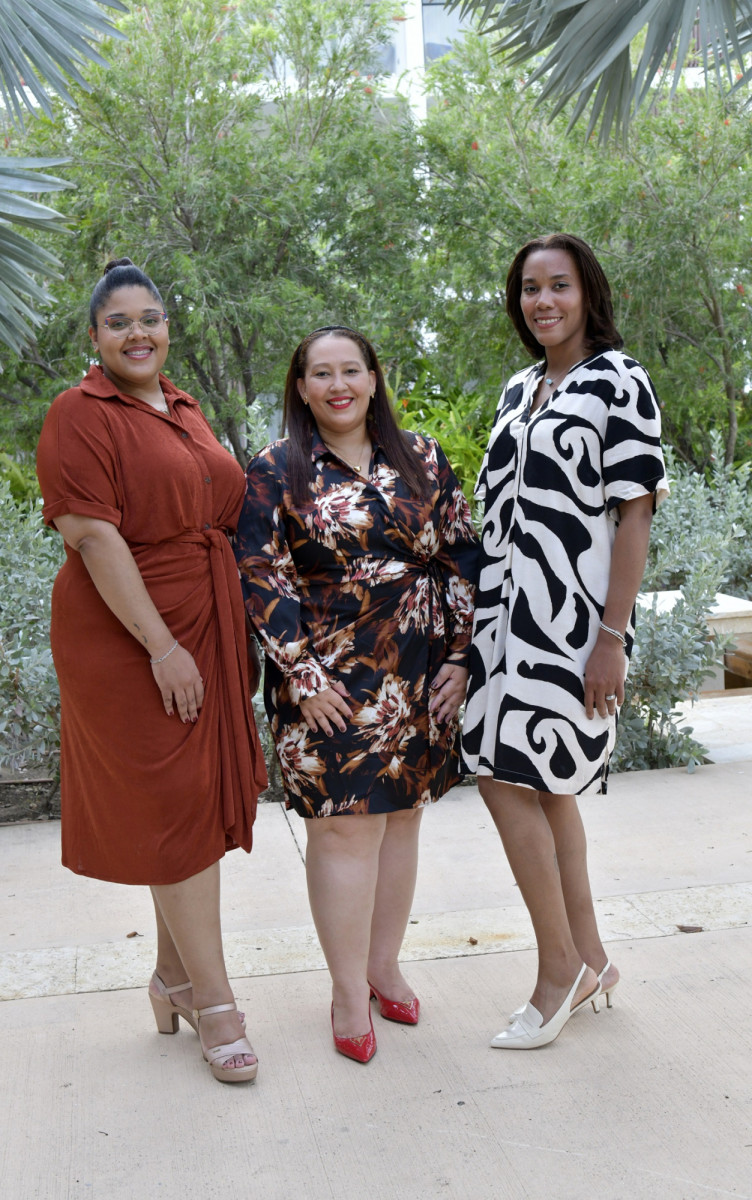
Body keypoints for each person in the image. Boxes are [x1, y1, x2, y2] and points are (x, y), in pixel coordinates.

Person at [36, 258, 267, 1084]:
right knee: (170, 806)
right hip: (129, 633)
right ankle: (215, 1001)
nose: (139, 333)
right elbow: (93, 536)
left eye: (151, 318)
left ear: (168, 328)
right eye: (119, 322)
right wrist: (160, 646)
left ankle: (171, 977)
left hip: (205, 621)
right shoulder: (79, 412)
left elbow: (229, 506)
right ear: (94, 338)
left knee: (192, 808)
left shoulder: (185, 407)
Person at [234, 326, 480, 1062]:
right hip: (327, 684)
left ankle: (383, 966)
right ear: (302, 387)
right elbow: (259, 571)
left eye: (352, 370)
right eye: (321, 373)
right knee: (345, 829)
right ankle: (346, 989)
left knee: (402, 818)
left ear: (374, 378)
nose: (338, 384)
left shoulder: (425, 456)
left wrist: (462, 659)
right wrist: (301, 675)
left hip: (419, 673)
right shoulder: (276, 470)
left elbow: (464, 553)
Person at [462, 234, 669, 1049]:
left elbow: (635, 516)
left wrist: (611, 637)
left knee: (503, 777)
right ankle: (591, 957)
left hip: (571, 628)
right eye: (529, 288)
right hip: (501, 625)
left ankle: (558, 973)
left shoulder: (620, 381)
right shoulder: (520, 389)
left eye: (559, 286)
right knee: (542, 786)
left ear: (588, 294)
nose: (542, 301)